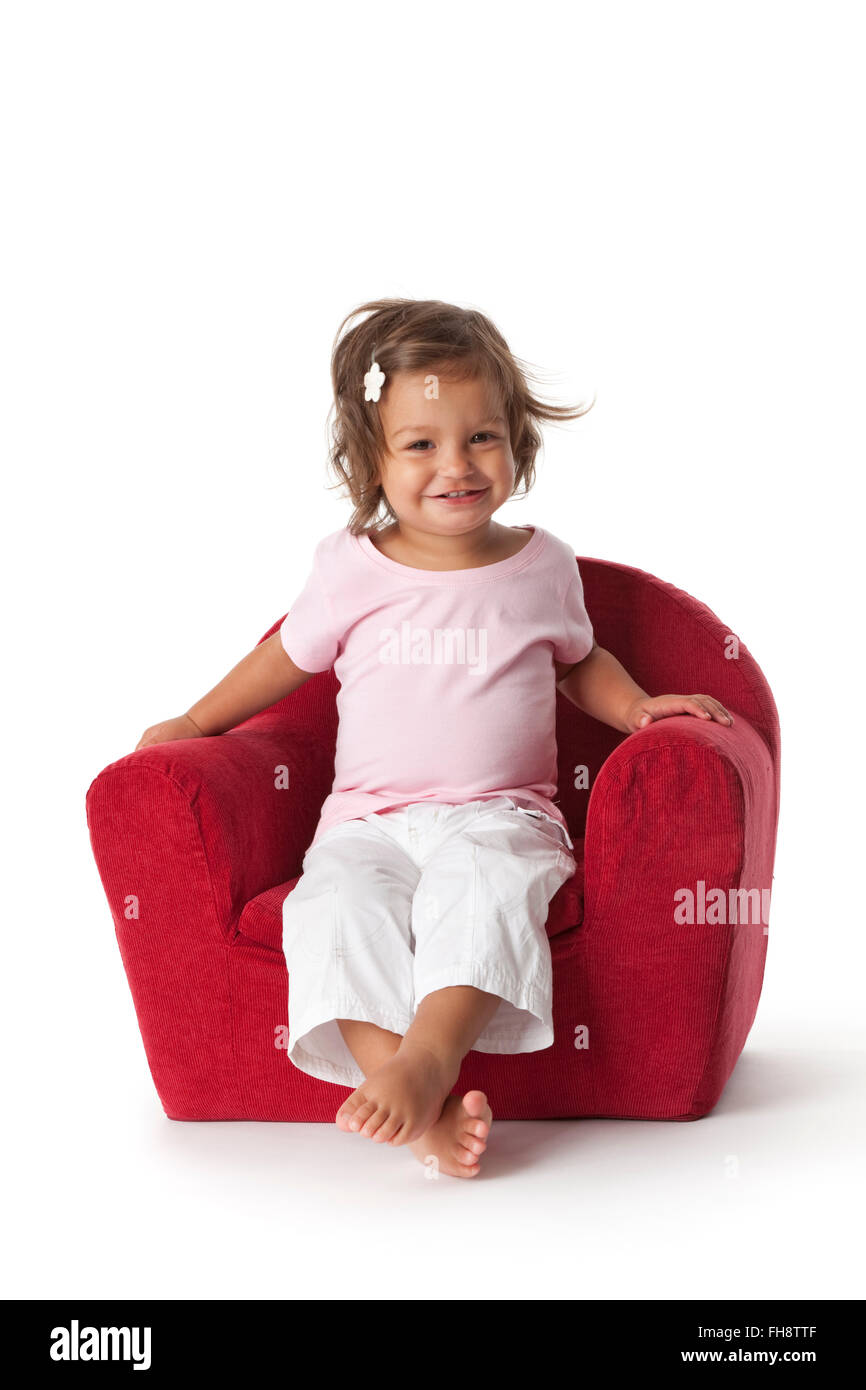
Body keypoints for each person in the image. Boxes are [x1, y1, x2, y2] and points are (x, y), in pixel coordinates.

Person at [136, 297, 733, 1178]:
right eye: (420, 444)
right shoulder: (349, 568)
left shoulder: (543, 565)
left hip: (503, 815)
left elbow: (580, 662)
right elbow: (283, 662)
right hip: (367, 822)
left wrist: (640, 708)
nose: (456, 465)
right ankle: (412, 1096)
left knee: (483, 887)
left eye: (481, 437)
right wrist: (194, 722)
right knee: (331, 909)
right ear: (371, 461)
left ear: (518, 442)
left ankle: (427, 1060)